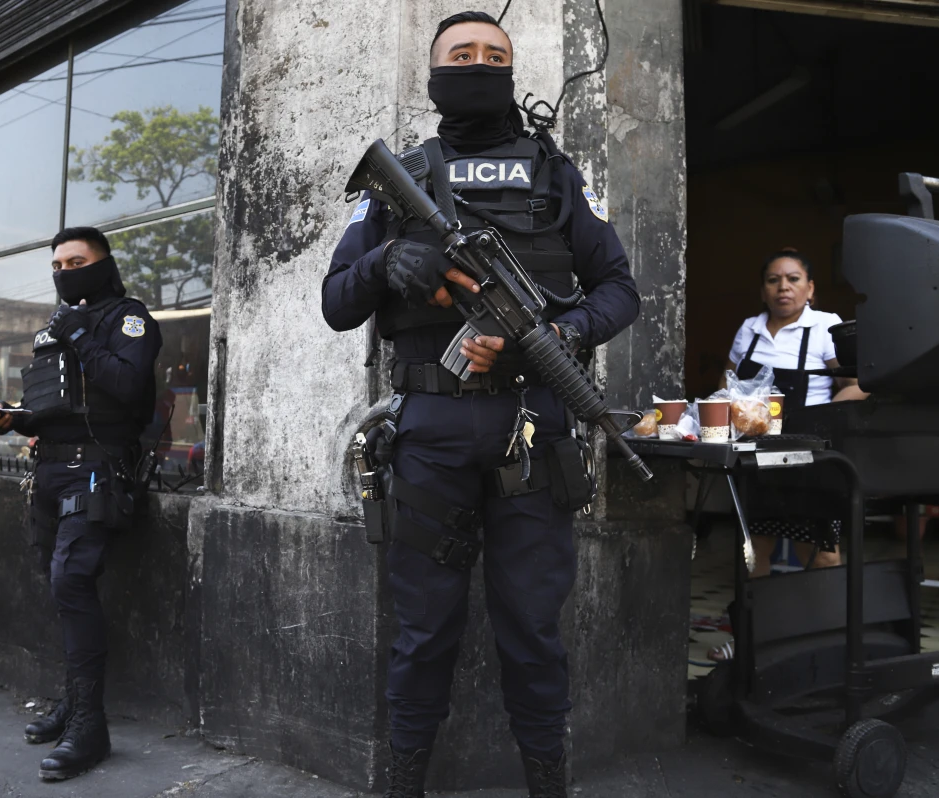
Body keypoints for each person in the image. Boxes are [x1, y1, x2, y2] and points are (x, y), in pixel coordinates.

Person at [322, 12, 640, 798]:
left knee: (532, 628)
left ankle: (547, 783)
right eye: (461, 55)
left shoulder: (557, 173)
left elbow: (620, 290)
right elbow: (335, 300)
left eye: (495, 56)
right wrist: (392, 258)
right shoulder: (403, 178)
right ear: (434, 74)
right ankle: (402, 784)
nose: (479, 64)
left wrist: (561, 335)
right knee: (423, 628)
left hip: (534, 429)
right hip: (430, 429)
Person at [0, 227, 162, 781]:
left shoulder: (127, 319)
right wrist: (15, 418)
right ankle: (72, 702)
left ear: (104, 264)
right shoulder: (52, 330)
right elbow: (56, 404)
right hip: (51, 469)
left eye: (76, 261)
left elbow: (129, 389)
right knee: (57, 584)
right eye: (57, 264)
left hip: (98, 468)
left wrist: (82, 334)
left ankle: (90, 725)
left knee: (71, 580)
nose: (64, 271)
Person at [707, 249, 863, 661]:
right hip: (757, 450)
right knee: (755, 546)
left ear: (809, 289)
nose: (784, 287)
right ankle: (752, 642)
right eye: (774, 280)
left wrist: (833, 416)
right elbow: (727, 379)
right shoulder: (750, 329)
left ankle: (814, 642)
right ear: (763, 289)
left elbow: (856, 384)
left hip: (812, 452)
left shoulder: (825, 326)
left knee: (824, 550)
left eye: (793, 279)